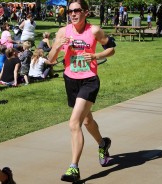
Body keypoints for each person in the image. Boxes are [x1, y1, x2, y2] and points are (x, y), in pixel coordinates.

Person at [48, 0, 116, 182]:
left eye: (77, 10)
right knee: (86, 120)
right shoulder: (63, 32)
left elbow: (111, 48)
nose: (73, 14)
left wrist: (96, 55)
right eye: (70, 11)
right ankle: (103, 143)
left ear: (86, 12)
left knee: (73, 123)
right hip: (70, 80)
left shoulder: (94, 31)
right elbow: (50, 60)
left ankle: (73, 168)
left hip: (89, 80)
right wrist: (56, 46)